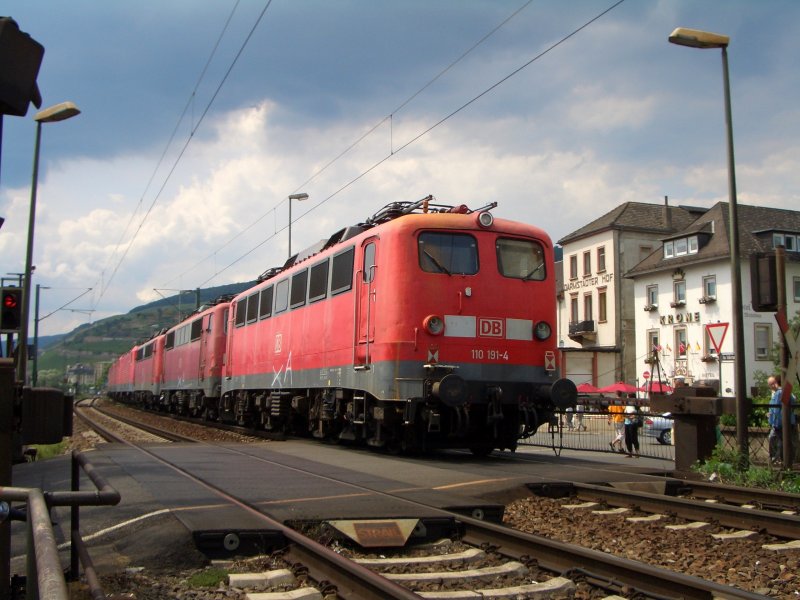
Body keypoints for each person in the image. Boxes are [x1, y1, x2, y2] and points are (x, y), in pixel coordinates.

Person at [768, 374, 797, 465]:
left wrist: (772, 421)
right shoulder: (786, 392)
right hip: (789, 420)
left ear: (777, 382)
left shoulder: (779, 393)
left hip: (780, 422)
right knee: (785, 441)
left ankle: (780, 459)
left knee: (779, 440)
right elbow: (793, 402)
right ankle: (787, 459)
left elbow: (776, 409)